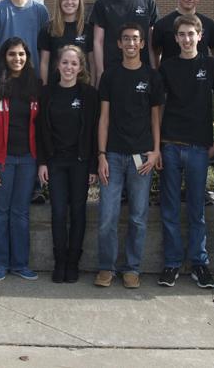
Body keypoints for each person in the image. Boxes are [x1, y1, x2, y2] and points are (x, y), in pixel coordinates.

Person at [95, 24, 163, 289]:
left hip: (141, 158)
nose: (131, 43)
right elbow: (104, 118)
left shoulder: (152, 76)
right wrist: (101, 155)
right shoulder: (110, 76)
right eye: (126, 39)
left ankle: (132, 268)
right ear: (119, 44)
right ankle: (106, 268)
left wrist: (156, 150)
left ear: (142, 44)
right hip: (112, 154)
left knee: (138, 216)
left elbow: (155, 118)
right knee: (107, 216)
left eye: (136, 39)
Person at [157, 14, 214, 289]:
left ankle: (199, 263)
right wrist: (157, 144)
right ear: (176, 38)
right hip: (170, 145)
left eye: (190, 34)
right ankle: (171, 264)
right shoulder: (167, 67)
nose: (186, 39)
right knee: (170, 208)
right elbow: (158, 107)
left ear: (200, 35)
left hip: (199, 147)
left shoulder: (212, 65)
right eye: (181, 34)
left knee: (197, 209)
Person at [0, 0, 49, 205]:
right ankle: (4, 181)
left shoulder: (40, 11)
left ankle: (35, 186)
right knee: (5, 129)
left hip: (32, 79)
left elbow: (44, 47)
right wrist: (0, 73)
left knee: (33, 127)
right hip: (6, 80)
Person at [0, 37, 41, 282]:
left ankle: (20, 264)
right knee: (0, 211)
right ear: (4, 57)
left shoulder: (35, 84)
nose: (17, 59)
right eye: (12, 54)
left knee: (21, 212)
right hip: (0, 159)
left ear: (27, 56)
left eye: (21, 54)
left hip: (27, 159)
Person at [37, 45, 98, 283]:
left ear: (81, 67)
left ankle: (74, 262)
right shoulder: (46, 93)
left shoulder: (89, 95)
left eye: (74, 63)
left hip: (81, 162)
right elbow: (41, 130)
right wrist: (42, 162)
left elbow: (93, 132)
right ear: (57, 65)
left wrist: (93, 165)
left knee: (79, 212)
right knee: (59, 212)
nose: (69, 67)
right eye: (65, 63)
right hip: (55, 162)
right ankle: (60, 260)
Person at [91, 0, 158, 86]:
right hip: (112, 71)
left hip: (142, 71)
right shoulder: (103, 4)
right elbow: (97, 41)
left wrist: (154, 70)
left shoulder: (148, 3)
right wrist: (100, 73)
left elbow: (151, 42)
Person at [152, 0, 214, 64]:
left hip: (201, 75)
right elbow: (156, 53)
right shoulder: (162, 24)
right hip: (170, 76)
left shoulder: (209, 24)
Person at [38, 0, 94, 85]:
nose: (69, 2)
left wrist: (93, 87)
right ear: (59, 1)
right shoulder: (48, 29)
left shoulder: (87, 30)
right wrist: (44, 89)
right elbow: (44, 63)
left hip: (81, 90)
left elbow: (92, 63)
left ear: (79, 2)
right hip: (54, 89)